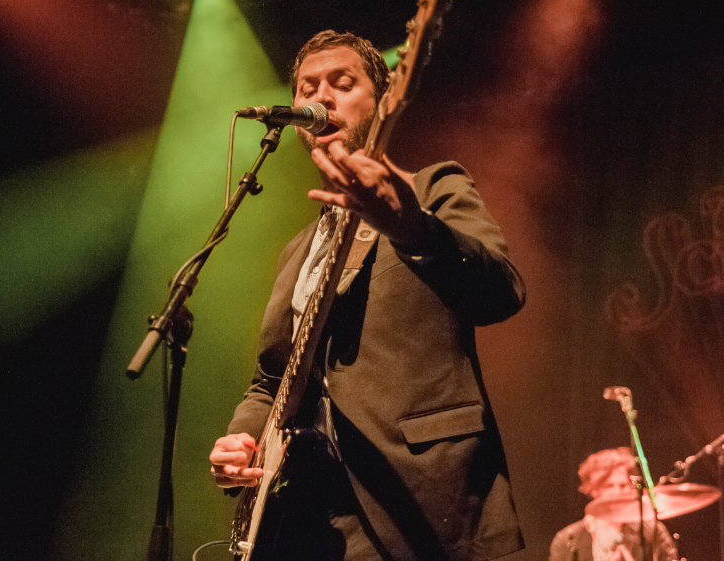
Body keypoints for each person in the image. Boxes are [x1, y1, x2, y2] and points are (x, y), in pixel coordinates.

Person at [209, 30, 526, 560]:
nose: (322, 97)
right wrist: (242, 440)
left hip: (421, 499)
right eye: (308, 87)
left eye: (342, 83)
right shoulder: (296, 252)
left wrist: (412, 229)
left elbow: (501, 291)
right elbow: (272, 379)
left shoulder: (431, 189)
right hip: (308, 520)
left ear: (381, 102)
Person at [549, 448, 678, 561]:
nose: (617, 492)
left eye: (623, 485)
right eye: (609, 486)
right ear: (594, 490)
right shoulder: (567, 539)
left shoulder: (652, 531)